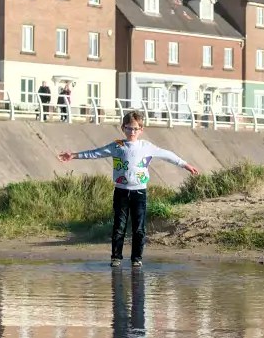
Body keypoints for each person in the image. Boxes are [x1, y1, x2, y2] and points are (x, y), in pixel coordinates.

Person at [57, 110, 198, 267]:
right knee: (119, 226)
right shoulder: (118, 146)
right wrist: (74, 155)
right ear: (123, 128)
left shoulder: (146, 146)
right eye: (129, 128)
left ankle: (136, 258)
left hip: (139, 192)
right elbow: (95, 153)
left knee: (139, 228)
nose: (132, 132)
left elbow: (168, 155)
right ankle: (116, 257)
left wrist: (186, 165)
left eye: (135, 129)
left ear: (141, 130)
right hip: (121, 191)